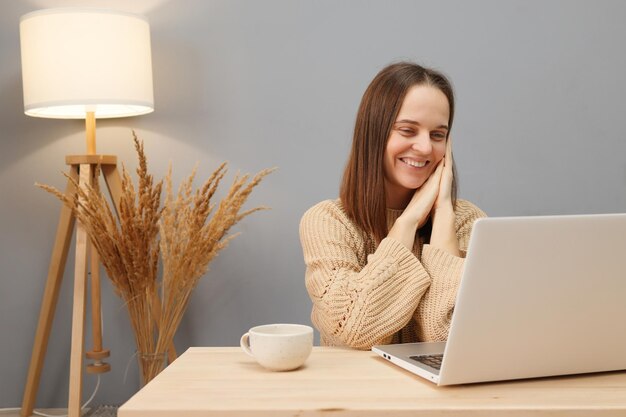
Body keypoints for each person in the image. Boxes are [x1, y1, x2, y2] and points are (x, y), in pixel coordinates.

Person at [299, 62, 486, 350]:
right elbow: (355, 330)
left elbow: (455, 342)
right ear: (375, 133)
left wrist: (443, 214)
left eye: (438, 135)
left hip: (441, 394)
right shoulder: (327, 222)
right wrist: (408, 220)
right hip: (355, 391)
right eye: (408, 130)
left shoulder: (467, 222)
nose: (425, 148)